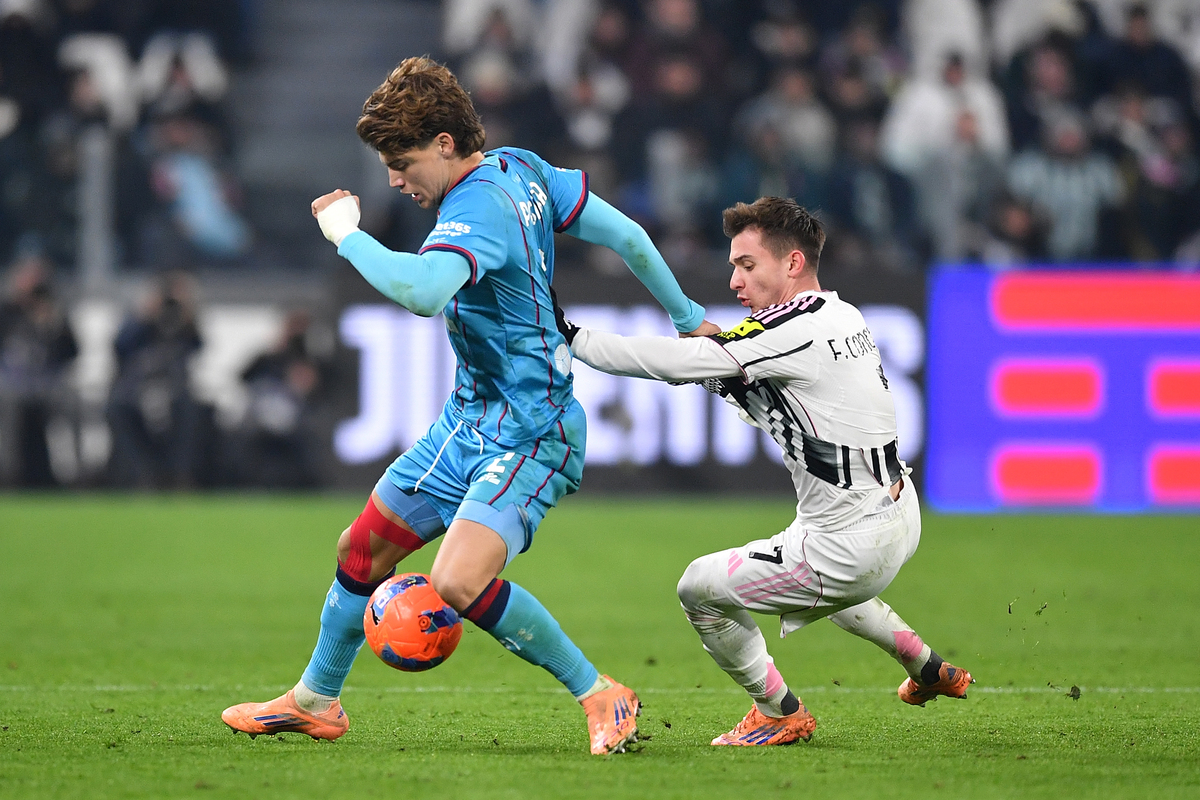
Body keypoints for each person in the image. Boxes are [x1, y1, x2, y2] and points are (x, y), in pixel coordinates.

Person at [221, 56, 716, 755]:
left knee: (454, 580)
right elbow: (630, 237)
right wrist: (689, 315)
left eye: (403, 160)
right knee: (361, 550)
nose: (395, 178)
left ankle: (601, 693)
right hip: (467, 423)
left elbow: (424, 292)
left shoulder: (477, 204)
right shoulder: (522, 167)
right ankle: (316, 700)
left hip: (532, 433)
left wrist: (347, 236)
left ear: (445, 144)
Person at [556, 197, 973, 746]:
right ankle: (928, 668)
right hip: (897, 512)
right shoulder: (842, 314)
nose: (734, 281)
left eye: (747, 265)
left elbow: (686, 365)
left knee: (699, 588)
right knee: (828, 587)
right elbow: (762, 393)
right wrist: (720, 360)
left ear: (792, 263)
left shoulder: (792, 330)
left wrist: (573, 337)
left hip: (849, 546)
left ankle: (778, 710)